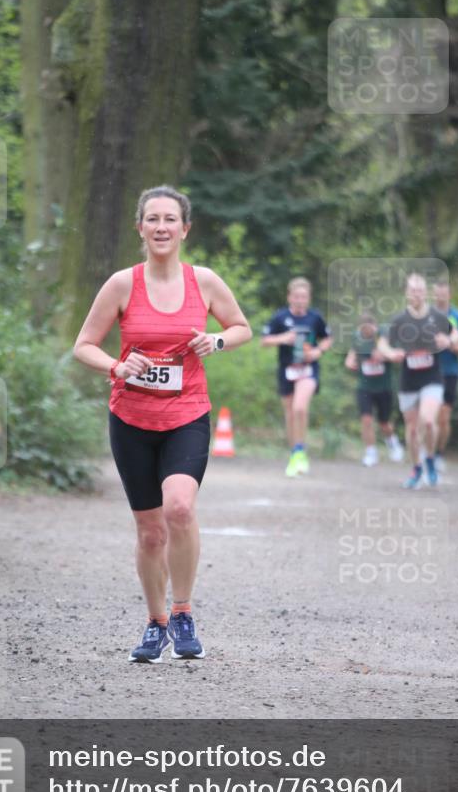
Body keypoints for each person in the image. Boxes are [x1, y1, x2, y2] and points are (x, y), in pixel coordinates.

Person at [73, 185, 252, 663]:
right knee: (150, 531)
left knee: (179, 509)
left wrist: (215, 341)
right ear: (140, 228)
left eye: (170, 219)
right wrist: (117, 366)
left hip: (186, 416)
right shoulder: (121, 284)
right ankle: (155, 624)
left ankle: (182, 612)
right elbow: (83, 345)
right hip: (131, 419)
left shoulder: (204, 282)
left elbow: (241, 328)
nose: (161, 227)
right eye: (152, 219)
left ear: (185, 229)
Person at [378, 273, 458, 489]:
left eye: (420, 290)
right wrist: (390, 353)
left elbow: (456, 334)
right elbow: (382, 343)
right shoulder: (399, 320)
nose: (417, 294)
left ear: (426, 293)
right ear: (406, 293)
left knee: (429, 421)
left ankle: (430, 458)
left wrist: (448, 340)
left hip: (432, 378)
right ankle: (416, 468)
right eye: (413, 290)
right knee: (412, 429)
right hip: (408, 381)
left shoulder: (437, 316)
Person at [261, 277, 332, 476]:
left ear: (308, 299)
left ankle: (300, 450)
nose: (300, 300)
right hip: (287, 370)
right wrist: (283, 338)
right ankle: (295, 453)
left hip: (308, 369)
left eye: (304, 297)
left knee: (299, 407)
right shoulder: (280, 317)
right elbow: (264, 341)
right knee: (290, 413)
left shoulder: (315, 318)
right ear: (289, 297)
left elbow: (328, 339)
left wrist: (318, 351)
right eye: (297, 296)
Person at [344, 313, 404, 466]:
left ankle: (392, 442)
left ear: (374, 327)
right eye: (364, 330)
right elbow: (351, 356)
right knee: (366, 420)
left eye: (369, 330)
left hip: (383, 387)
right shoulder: (357, 338)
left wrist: (384, 356)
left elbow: (396, 355)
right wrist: (350, 362)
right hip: (365, 387)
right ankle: (370, 452)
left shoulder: (383, 337)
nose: (367, 333)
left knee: (384, 423)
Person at [432, 281, 458, 472]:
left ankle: (438, 454)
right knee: (428, 417)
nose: (440, 296)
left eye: (444, 293)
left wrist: (449, 344)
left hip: (449, 372)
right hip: (427, 372)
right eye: (437, 293)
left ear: (449, 294)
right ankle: (426, 453)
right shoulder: (426, 315)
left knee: (443, 418)